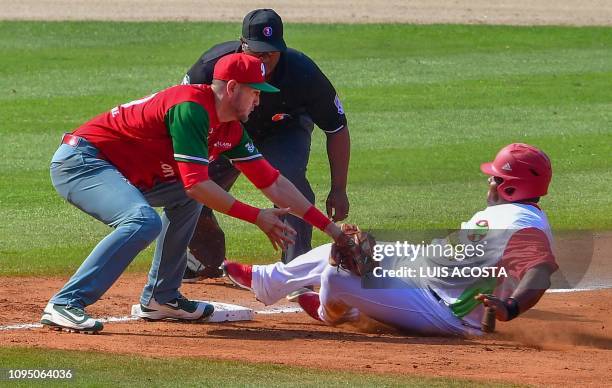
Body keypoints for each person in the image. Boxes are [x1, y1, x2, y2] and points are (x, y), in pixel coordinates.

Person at [41, 53, 350, 334]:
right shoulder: (191, 108)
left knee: (188, 197)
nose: (258, 100)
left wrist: (334, 232)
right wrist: (257, 216)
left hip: (124, 175)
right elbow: (196, 184)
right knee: (143, 221)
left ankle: (161, 298)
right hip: (83, 163)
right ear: (231, 88)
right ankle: (66, 303)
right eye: (254, 91)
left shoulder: (230, 129)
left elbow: (275, 184)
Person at [222, 143, 559, 336]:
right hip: (425, 281)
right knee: (347, 246)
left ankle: (337, 314)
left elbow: (539, 269)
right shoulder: (513, 215)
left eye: (495, 179)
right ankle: (268, 281)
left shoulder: (521, 225)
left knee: (336, 275)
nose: (488, 184)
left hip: (444, 312)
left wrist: (511, 307)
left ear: (510, 186)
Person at [182, 9, 351, 281]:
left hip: (282, 130)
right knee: (193, 185)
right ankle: (204, 258)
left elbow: (337, 127)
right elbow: (182, 116)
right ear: (242, 44)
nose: (265, 60)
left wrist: (339, 189)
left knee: (289, 182)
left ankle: (296, 269)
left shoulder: (302, 72)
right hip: (229, 130)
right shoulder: (210, 67)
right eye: (257, 53)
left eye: (271, 53)